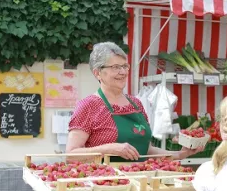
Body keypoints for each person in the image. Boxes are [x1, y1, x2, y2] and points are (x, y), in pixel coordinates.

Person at [66, 42, 203, 162]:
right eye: (115, 67)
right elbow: (71, 155)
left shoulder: (135, 103)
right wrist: (109, 149)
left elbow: (146, 150)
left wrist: (180, 154)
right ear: (97, 73)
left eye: (125, 66)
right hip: (106, 184)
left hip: (139, 182)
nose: (123, 72)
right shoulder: (89, 106)